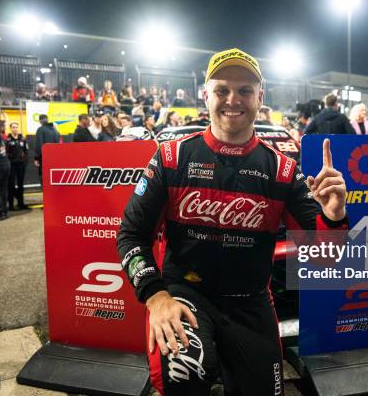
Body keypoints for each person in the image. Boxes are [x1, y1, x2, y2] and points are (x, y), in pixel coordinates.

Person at [117, 47, 348, 396]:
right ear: (206, 94)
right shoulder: (171, 157)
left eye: (244, 91)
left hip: (250, 302)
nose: (232, 99)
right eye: (222, 89)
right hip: (186, 295)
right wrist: (156, 297)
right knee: (186, 375)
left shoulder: (283, 170)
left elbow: (327, 257)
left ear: (260, 98)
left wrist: (335, 218)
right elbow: (131, 235)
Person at [6, 122, 29, 211]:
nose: (15, 129)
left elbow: (26, 151)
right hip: (11, 165)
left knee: (20, 185)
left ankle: (21, 204)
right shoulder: (7, 140)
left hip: (21, 165)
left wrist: (25, 161)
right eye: (13, 127)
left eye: (16, 127)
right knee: (11, 185)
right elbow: (6, 153)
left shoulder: (22, 139)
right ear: (10, 128)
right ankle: (11, 205)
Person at [34, 114, 61, 182]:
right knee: (54, 178)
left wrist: (36, 158)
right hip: (56, 159)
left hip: (45, 159)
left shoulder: (40, 130)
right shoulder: (56, 131)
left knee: (44, 178)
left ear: (40, 121)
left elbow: (39, 144)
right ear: (47, 119)